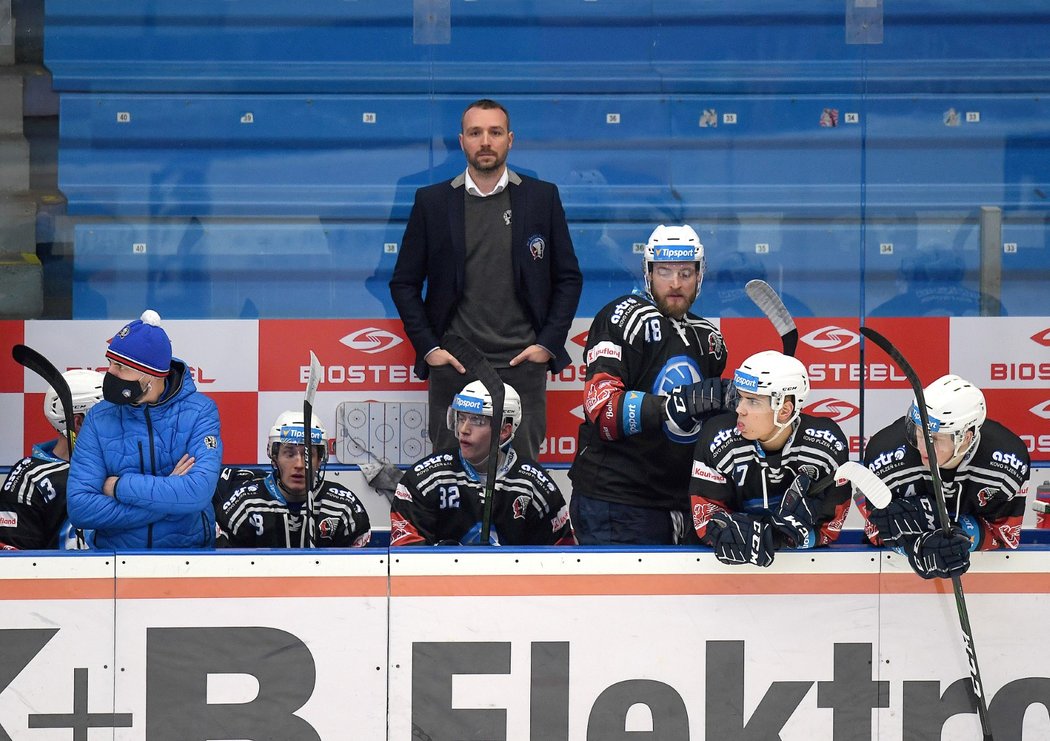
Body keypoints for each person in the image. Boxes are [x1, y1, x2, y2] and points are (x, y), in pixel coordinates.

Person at [389, 98, 582, 461]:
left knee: (521, 481)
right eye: (476, 133)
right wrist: (431, 349)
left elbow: (569, 278)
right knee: (449, 480)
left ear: (510, 139)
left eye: (495, 132)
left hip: (521, 363)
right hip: (455, 364)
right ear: (461, 141)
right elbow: (403, 283)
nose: (485, 141)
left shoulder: (541, 198)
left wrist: (547, 345)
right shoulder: (432, 202)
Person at [568, 224, 731, 545]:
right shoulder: (622, 318)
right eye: (664, 271)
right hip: (618, 502)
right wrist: (676, 405)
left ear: (700, 276)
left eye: (685, 273)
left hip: (684, 503)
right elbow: (602, 413)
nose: (675, 283)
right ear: (648, 273)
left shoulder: (709, 338)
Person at [67, 310, 221, 549]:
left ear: (151, 375)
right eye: (110, 363)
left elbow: (197, 492)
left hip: (188, 559)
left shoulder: (201, 412)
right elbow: (81, 508)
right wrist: (169, 504)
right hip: (114, 562)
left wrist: (117, 486)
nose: (110, 373)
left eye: (121, 366)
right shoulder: (99, 417)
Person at [856, 374, 1029, 580]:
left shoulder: (1007, 463)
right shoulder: (885, 455)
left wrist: (958, 536)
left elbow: (1006, 535)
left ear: (966, 437)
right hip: (895, 578)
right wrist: (914, 548)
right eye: (917, 433)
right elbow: (875, 530)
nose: (921, 446)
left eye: (933, 439)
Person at [688, 350, 852, 566]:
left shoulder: (826, 446)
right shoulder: (718, 438)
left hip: (801, 574)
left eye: (752, 401)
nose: (739, 409)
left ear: (784, 410)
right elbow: (705, 518)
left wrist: (785, 539)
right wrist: (728, 534)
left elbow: (828, 529)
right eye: (740, 397)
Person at [390, 380, 574, 546]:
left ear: (504, 430)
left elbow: (561, 560)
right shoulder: (425, 478)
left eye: (477, 421)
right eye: (461, 418)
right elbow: (404, 553)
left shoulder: (535, 485)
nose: (463, 429)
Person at [214, 411, 371, 548]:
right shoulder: (244, 504)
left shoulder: (343, 506)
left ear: (320, 459)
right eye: (289, 454)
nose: (299, 464)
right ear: (274, 456)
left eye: (308, 455)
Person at [0, 370, 104, 550]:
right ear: (78, 423)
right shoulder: (30, 477)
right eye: (109, 417)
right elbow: (15, 567)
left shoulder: (127, 466)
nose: (121, 423)